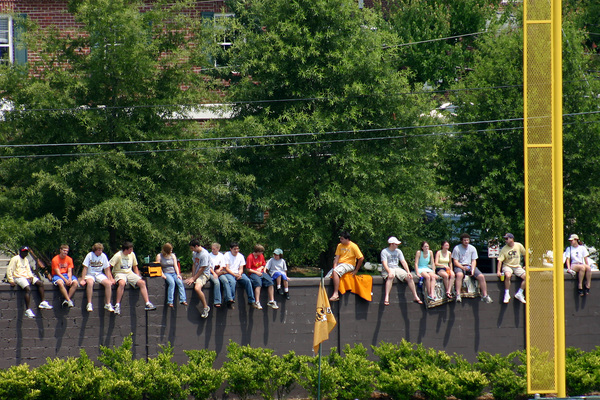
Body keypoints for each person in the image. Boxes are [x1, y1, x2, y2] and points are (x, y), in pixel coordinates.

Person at [110, 241, 156, 315]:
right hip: (119, 273)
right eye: (130, 249)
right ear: (126, 249)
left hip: (129, 273)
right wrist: (111, 278)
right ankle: (117, 305)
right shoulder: (118, 255)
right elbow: (109, 266)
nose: (132, 251)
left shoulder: (132, 255)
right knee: (122, 283)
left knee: (142, 283)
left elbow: (135, 266)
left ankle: (147, 303)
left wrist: (138, 277)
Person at [6, 246, 53, 318]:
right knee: (28, 288)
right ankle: (28, 309)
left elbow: (28, 270)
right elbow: (9, 269)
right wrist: (11, 280)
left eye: (26, 252)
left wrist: (30, 276)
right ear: (20, 251)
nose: (25, 253)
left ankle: (42, 302)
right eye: (24, 251)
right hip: (18, 277)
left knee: (40, 283)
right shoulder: (15, 259)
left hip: (26, 276)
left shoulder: (26, 260)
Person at [452, 233, 493, 303]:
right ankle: (458, 294)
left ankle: (485, 295)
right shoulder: (457, 248)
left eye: (467, 240)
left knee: (481, 276)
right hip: (460, 265)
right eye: (465, 240)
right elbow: (455, 261)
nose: (466, 242)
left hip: (470, 266)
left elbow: (474, 261)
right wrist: (462, 267)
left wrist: (473, 270)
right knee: (459, 275)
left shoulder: (472, 248)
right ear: (462, 241)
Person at [380, 237, 422, 305]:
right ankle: (387, 296)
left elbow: (403, 262)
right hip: (388, 268)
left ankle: (415, 296)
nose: (397, 245)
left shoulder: (398, 251)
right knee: (391, 276)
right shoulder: (384, 251)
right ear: (392, 244)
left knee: (409, 277)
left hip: (396, 268)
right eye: (396, 244)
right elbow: (384, 263)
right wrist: (389, 271)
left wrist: (408, 272)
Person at [80, 243, 115, 312]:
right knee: (90, 283)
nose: (100, 252)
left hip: (99, 274)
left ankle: (108, 303)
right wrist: (83, 279)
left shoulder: (103, 256)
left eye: (101, 250)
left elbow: (107, 269)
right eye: (99, 250)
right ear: (95, 250)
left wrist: (110, 279)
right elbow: (85, 268)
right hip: (90, 274)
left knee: (108, 284)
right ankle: (89, 303)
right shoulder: (90, 255)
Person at [329, 231, 364, 302]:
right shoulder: (339, 245)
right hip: (340, 264)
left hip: (349, 264)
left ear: (347, 239)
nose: (340, 240)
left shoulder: (353, 246)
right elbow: (336, 258)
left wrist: (356, 270)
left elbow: (361, 258)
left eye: (342, 239)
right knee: (328, 276)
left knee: (335, 272)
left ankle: (336, 294)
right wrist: (334, 266)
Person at [221, 242, 255, 308]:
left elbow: (241, 268)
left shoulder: (240, 256)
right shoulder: (227, 255)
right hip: (229, 273)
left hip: (238, 273)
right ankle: (231, 300)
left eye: (237, 249)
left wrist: (239, 274)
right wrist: (234, 275)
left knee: (247, 281)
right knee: (232, 282)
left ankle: (251, 300)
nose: (236, 251)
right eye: (234, 249)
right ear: (231, 249)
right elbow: (227, 268)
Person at [246, 244, 278, 310]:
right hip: (253, 273)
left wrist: (261, 268)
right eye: (260, 252)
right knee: (258, 283)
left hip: (261, 272)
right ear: (257, 251)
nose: (261, 253)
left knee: (270, 282)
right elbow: (248, 269)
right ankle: (257, 301)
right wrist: (256, 272)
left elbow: (263, 264)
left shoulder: (261, 256)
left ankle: (271, 301)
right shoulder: (250, 257)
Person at [497, 233, 526, 304]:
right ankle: (507, 293)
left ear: (512, 239)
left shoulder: (519, 245)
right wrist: (498, 271)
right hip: (507, 266)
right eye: (505, 239)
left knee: (527, 277)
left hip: (517, 266)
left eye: (507, 239)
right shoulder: (504, 249)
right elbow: (500, 261)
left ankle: (519, 293)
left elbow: (525, 254)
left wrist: (526, 265)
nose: (505, 240)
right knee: (508, 275)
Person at [185, 239, 211, 318]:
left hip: (204, 274)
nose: (191, 250)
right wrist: (193, 277)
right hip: (197, 274)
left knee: (197, 288)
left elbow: (202, 269)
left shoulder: (204, 254)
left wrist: (194, 278)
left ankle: (206, 307)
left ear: (196, 246)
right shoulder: (194, 253)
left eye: (192, 248)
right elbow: (194, 264)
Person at [156, 243, 187, 308]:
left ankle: (183, 299)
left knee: (180, 282)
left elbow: (175, 265)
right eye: (170, 250)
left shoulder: (173, 256)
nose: (171, 251)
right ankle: (170, 301)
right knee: (172, 283)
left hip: (173, 272)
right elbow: (158, 266)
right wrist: (162, 274)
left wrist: (178, 274)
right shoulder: (159, 256)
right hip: (166, 272)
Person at [207, 242, 225, 308]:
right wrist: (214, 273)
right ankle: (217, 301)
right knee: (216, 282)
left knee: (225, 281)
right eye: (212, 249)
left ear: (218, 249)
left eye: (214, 249)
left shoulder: (221, 255)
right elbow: (209, 267)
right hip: (211, 272)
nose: (213, 250)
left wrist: (219, 270)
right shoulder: (209, 256)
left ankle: (228, 298)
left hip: (219, 272)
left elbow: (223, 265)